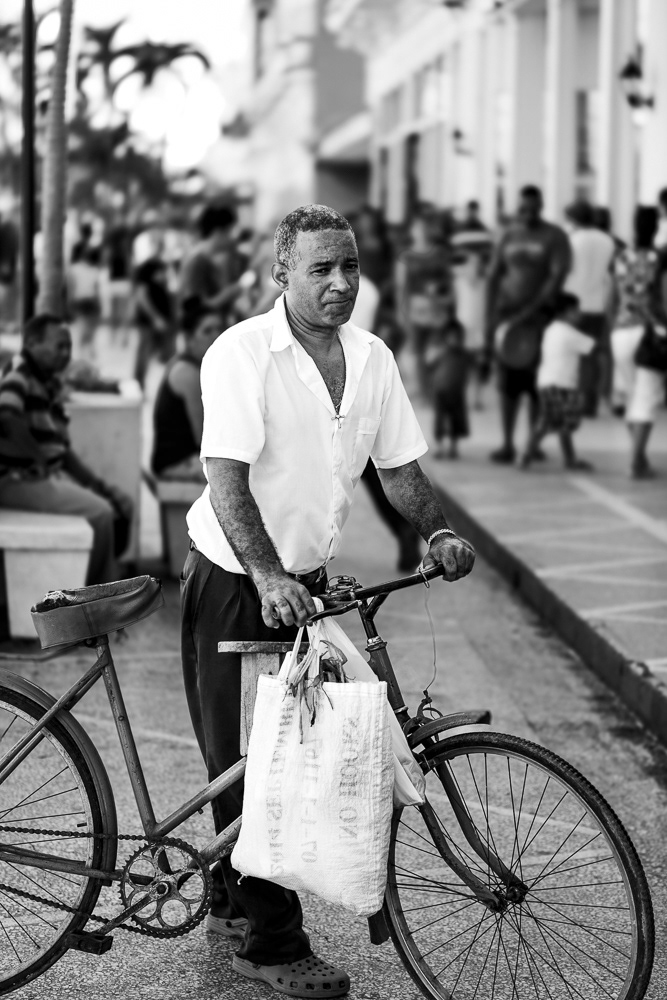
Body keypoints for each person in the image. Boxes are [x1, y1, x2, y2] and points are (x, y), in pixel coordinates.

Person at [180, 204, 475, 999]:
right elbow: (226, 479)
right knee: (253, 767)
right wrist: (271, 576)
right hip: (236, 578)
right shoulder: (242, 353)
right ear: (281, 273)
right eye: (321, 268)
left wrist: (438, 531)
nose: (341, 282)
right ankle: (271, 944)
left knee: (290, 752)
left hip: (302, 583)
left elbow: (399, 467)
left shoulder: (371, 358)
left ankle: (225, 892)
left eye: (349, 266)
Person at [0, 314, 133, 584]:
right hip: (16, 480)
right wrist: (37, 459)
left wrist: (99, 485)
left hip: (42, 477)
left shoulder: (47, 384)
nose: (65, 354)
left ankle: (102, 580)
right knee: (101, 513)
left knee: (119, 504)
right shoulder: (19, 372)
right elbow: (6, 415)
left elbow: (62, 451)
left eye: (68, 347)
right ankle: (95, 593)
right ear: (33, 344)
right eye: (59, 346)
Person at [484, 184, 572, 464]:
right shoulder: (508, 236)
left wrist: (533, 310)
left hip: (539, 320)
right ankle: (508, 443)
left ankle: (531, 444)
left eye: (533, 208)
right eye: (523, 208)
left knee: (536, 385)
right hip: (507, 316)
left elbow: (556, 278)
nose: (528, 213)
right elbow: (493, 276)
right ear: (518, 207)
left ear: (541, 206)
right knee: (508, 384)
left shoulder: (554, 236)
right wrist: (489, 318)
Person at [610, 207, 666, 479]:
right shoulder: (659, 258)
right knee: (647, 399)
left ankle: (639, 456)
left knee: (633, 397)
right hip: (649, 334)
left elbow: (613, 296)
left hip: (621, 331)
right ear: (656, 226)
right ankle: (636, 462)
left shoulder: (621, 256)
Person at [151, 298, 225, 482]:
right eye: (207, 331)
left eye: (219, 329)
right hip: (176, 463)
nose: (216, 336)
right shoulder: (187, 372)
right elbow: (202, 437)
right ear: (189, 338)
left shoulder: (198, 365)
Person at [521, 292, 594, 471]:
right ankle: (528, 455)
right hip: (562, 384)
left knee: (559, 422)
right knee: (553, 422)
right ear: (566, 312)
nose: (580, 314)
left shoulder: (551, 329)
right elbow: (593, 347)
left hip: (546, 382)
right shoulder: (568, 333)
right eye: (576, 310)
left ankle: (566, 458)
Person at [563, 201, 615, 417]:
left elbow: (565, 269)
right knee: (591, 356)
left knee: (573, 356)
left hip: (574, 304)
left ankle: (576, 402)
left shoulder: (572, 240)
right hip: (598, 304)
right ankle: (590, 403)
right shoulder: (607, 240)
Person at [395, 206, 452, 393]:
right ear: (412, 231)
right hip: (415, 306)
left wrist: (446, 296)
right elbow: (401, 286)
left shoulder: (440, 253)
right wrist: (401, 311)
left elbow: (449, 279)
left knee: (436, 349)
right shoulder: (406, 257)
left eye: (424, 227)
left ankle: (435, 383)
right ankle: (424, 389)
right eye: (417, 227)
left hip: (438, 306)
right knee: (418, 350)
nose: (421, 231)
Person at [178, 203, 245, 314]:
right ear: (219, 232)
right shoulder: (197, 262)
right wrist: (229, 293)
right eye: (231, 230)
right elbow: (195, 307)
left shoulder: (201, 258)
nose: (234, 237)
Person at [424, 308, 470, 459]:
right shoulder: (440, 351)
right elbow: (428, 363)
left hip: (457, 393)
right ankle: (440, 446)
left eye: (457, 337)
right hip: (440, 392)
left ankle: (453, 447)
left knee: (456, 421)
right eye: (452, 337)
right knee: (440, 421)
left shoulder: (464, 355)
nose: (455, 340)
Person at [133, 256, 174, 389]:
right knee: (145, 353)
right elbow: (142, 300)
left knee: (162, 353)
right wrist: (155, 318)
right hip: (149, 324)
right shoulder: (145, 285)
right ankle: (139, 382)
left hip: (158, 322)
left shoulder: (158, 285)